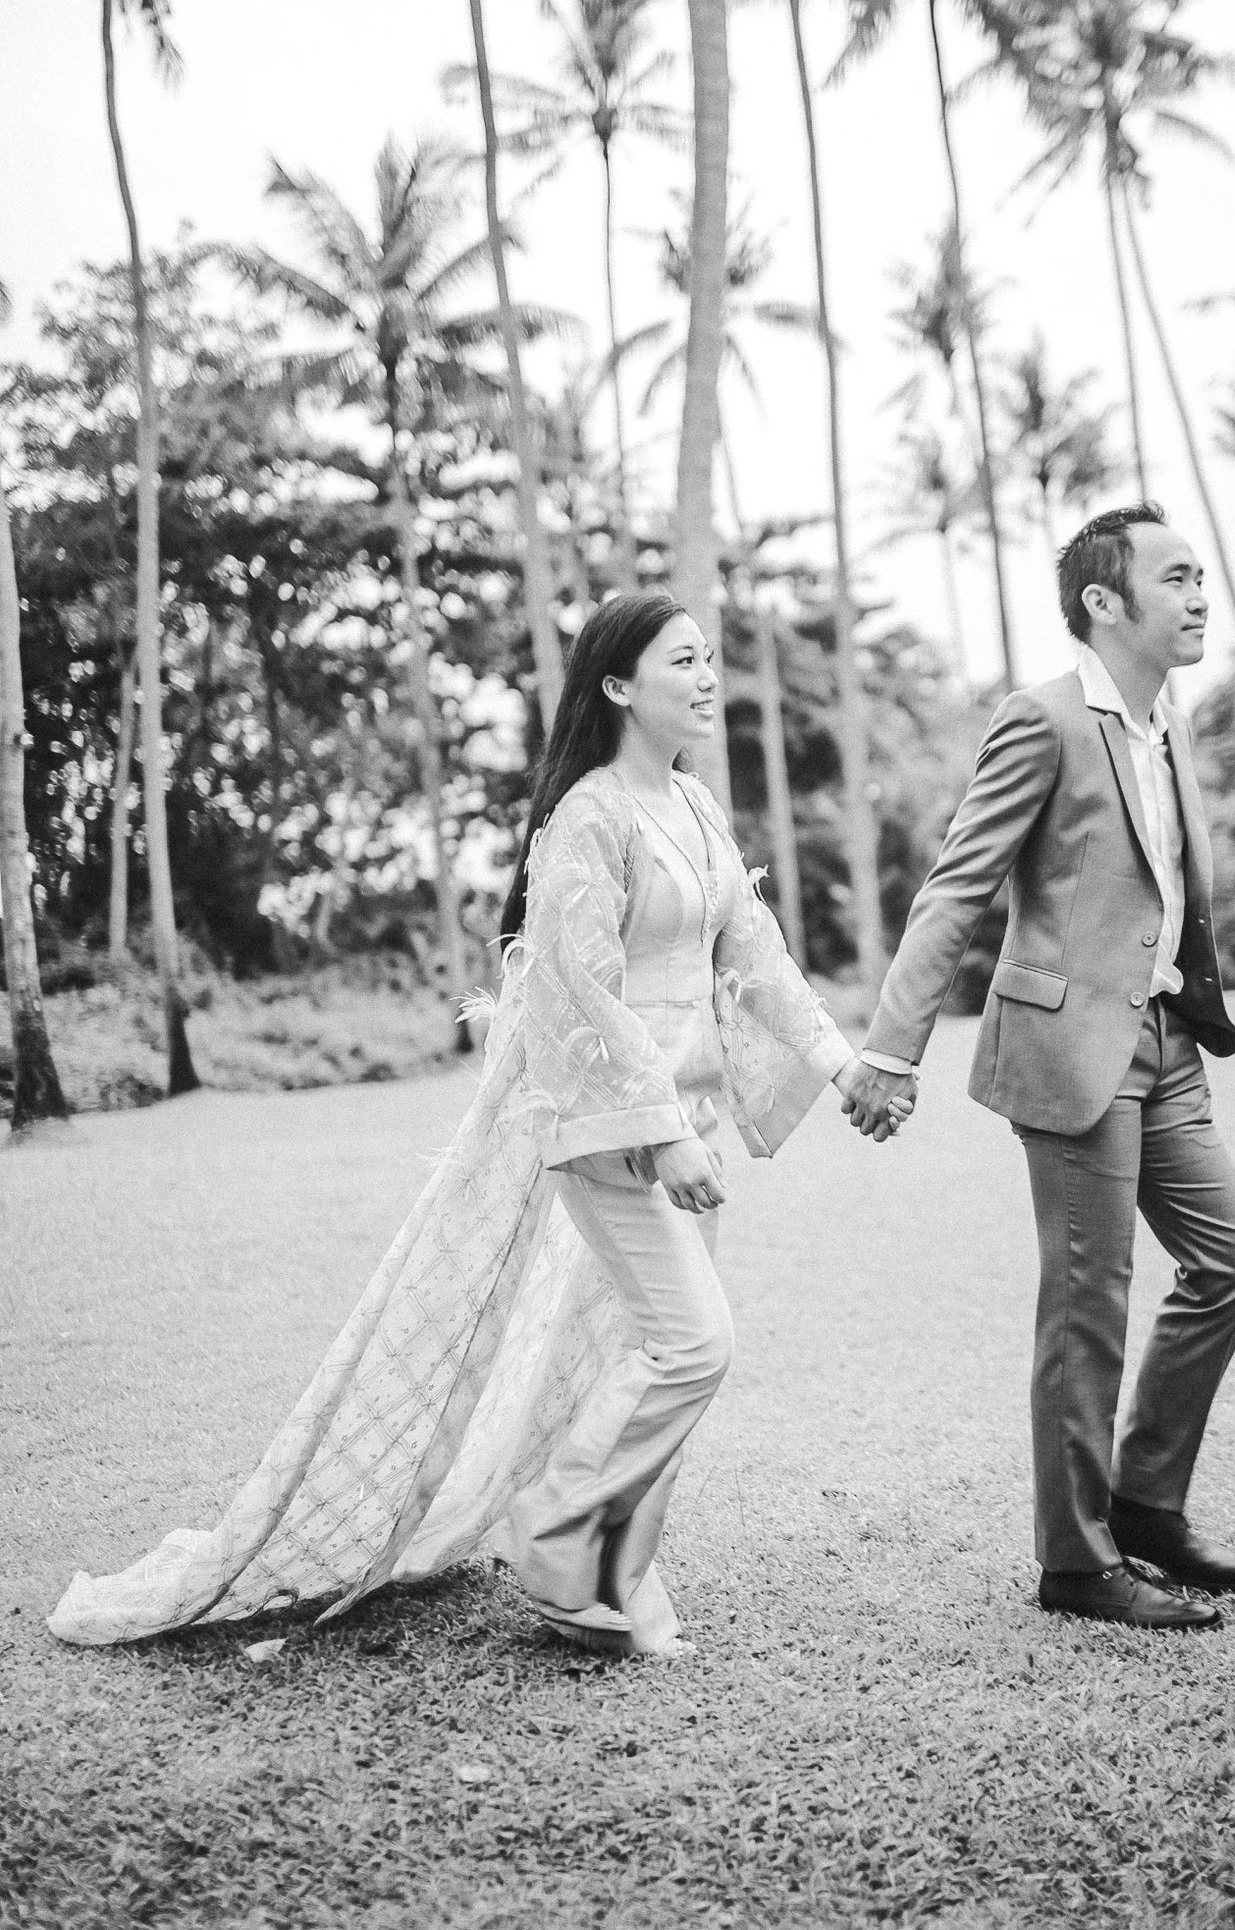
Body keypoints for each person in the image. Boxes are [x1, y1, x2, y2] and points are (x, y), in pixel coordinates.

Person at [50, 594, 875, 1659]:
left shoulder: (694, 804)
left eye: (710, 656)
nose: (709, 675)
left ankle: (610, 1584)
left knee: (645, 1347)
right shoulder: (587, 817)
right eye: (684, 660)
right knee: (696, 1341)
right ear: (619, 686)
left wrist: (843, 1065)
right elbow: (579, 987)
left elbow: (753, 950)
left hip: (691, 1117)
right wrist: (662, 1128)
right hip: (605, 1121)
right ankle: (555, 1529)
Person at [842, 503, 1235, 1631]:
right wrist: (890, 1048)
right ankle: (1077, 1562)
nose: (1199, 595)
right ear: (1103, 600)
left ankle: (1146, 1504)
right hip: (1072, 1049)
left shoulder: (1166, 721)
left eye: (1201, 575)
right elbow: (959, 883)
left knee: (1233, 1261)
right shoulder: (1043, 721)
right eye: (1176, 577)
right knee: (1089, 1301)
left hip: (1168, 1042)